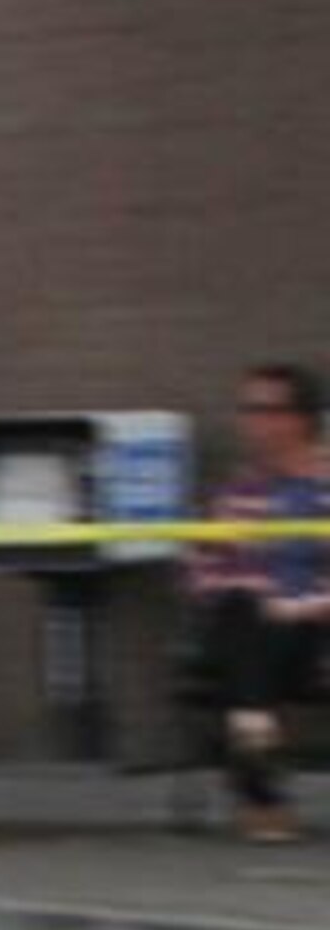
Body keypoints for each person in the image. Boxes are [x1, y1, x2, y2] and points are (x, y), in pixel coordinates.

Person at [186, 361, 330, 842]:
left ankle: (258, 782)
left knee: (249, 627)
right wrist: (256, 592)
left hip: (316, 629)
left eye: (267, 409)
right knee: (243, 613)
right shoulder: (241, 490)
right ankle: (257, 738)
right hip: (256, 630)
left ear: (302, 417)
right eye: (248, 410)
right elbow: (206, 568)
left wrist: (304, 603)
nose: (255, 422)